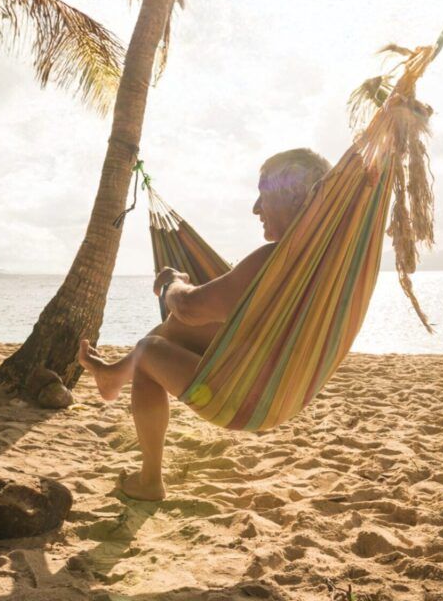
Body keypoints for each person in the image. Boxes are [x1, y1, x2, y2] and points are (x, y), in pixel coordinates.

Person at [78, 147, 331, 500]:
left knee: (151, 352)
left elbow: (188, 307)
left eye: (263, 195)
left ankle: (149, 477)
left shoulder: (275, 262)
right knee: (175, 335)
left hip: (248, 395)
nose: (256, 209)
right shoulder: (325, 262)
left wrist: (172, 283)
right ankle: (115, 375)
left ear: (293, 196)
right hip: (284, 384)